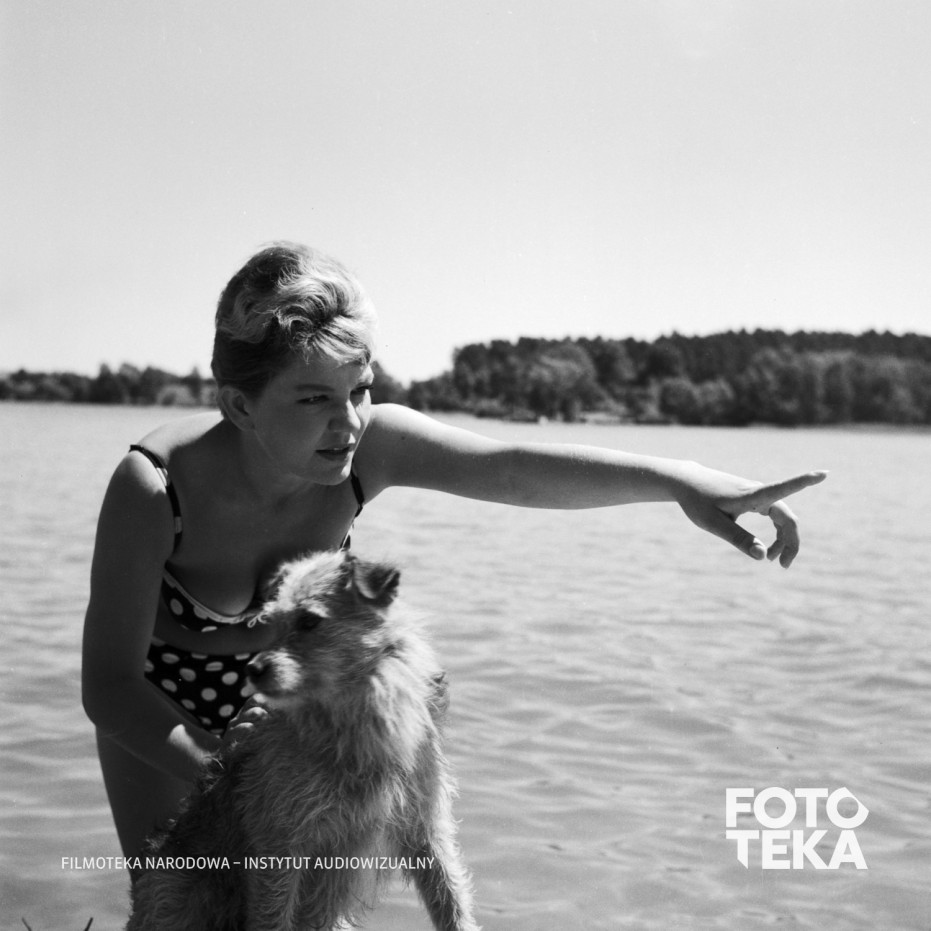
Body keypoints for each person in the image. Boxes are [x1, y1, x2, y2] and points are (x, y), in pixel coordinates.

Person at [81, 242, 826, 866]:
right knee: (177, 905)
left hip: (300, 702)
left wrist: (680, 480)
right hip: (161, 706)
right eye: (312, 399)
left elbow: (512, 469)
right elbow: (110, 684)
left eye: (359, 390)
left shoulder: (369, 448)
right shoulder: (156, 490)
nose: (348, 422)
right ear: (239, 404)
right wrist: (214, 761)